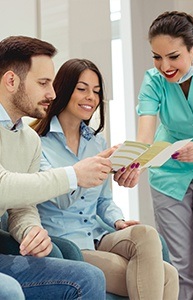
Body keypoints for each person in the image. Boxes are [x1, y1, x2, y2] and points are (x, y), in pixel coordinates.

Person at [32, 58, 179, 300]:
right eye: (82, 89)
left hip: (99, 234)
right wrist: (87, 170)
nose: (91, 96)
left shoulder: (96, 142)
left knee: (146, 234)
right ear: (64, 89)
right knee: (167, 276)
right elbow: (60, 200)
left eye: (96, 91)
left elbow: (103, 201)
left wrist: (118, 221)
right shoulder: (38, 143)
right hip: (68, 244)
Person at [0, 35, 110, 299]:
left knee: (88, 277)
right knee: (10, 291)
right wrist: (74, 175)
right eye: (43, 83)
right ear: (12, 81)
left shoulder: (28, 139)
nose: (52, 93)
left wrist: (31, 230)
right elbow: (3, 186)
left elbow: (22, 206)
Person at [136, 11, 193, 300]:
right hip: (169, 176)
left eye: (173, 56)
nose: (165, 66)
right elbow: (144, 137)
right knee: (180, 265)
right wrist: (133, 163)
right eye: (157, 57)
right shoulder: (153, 81)